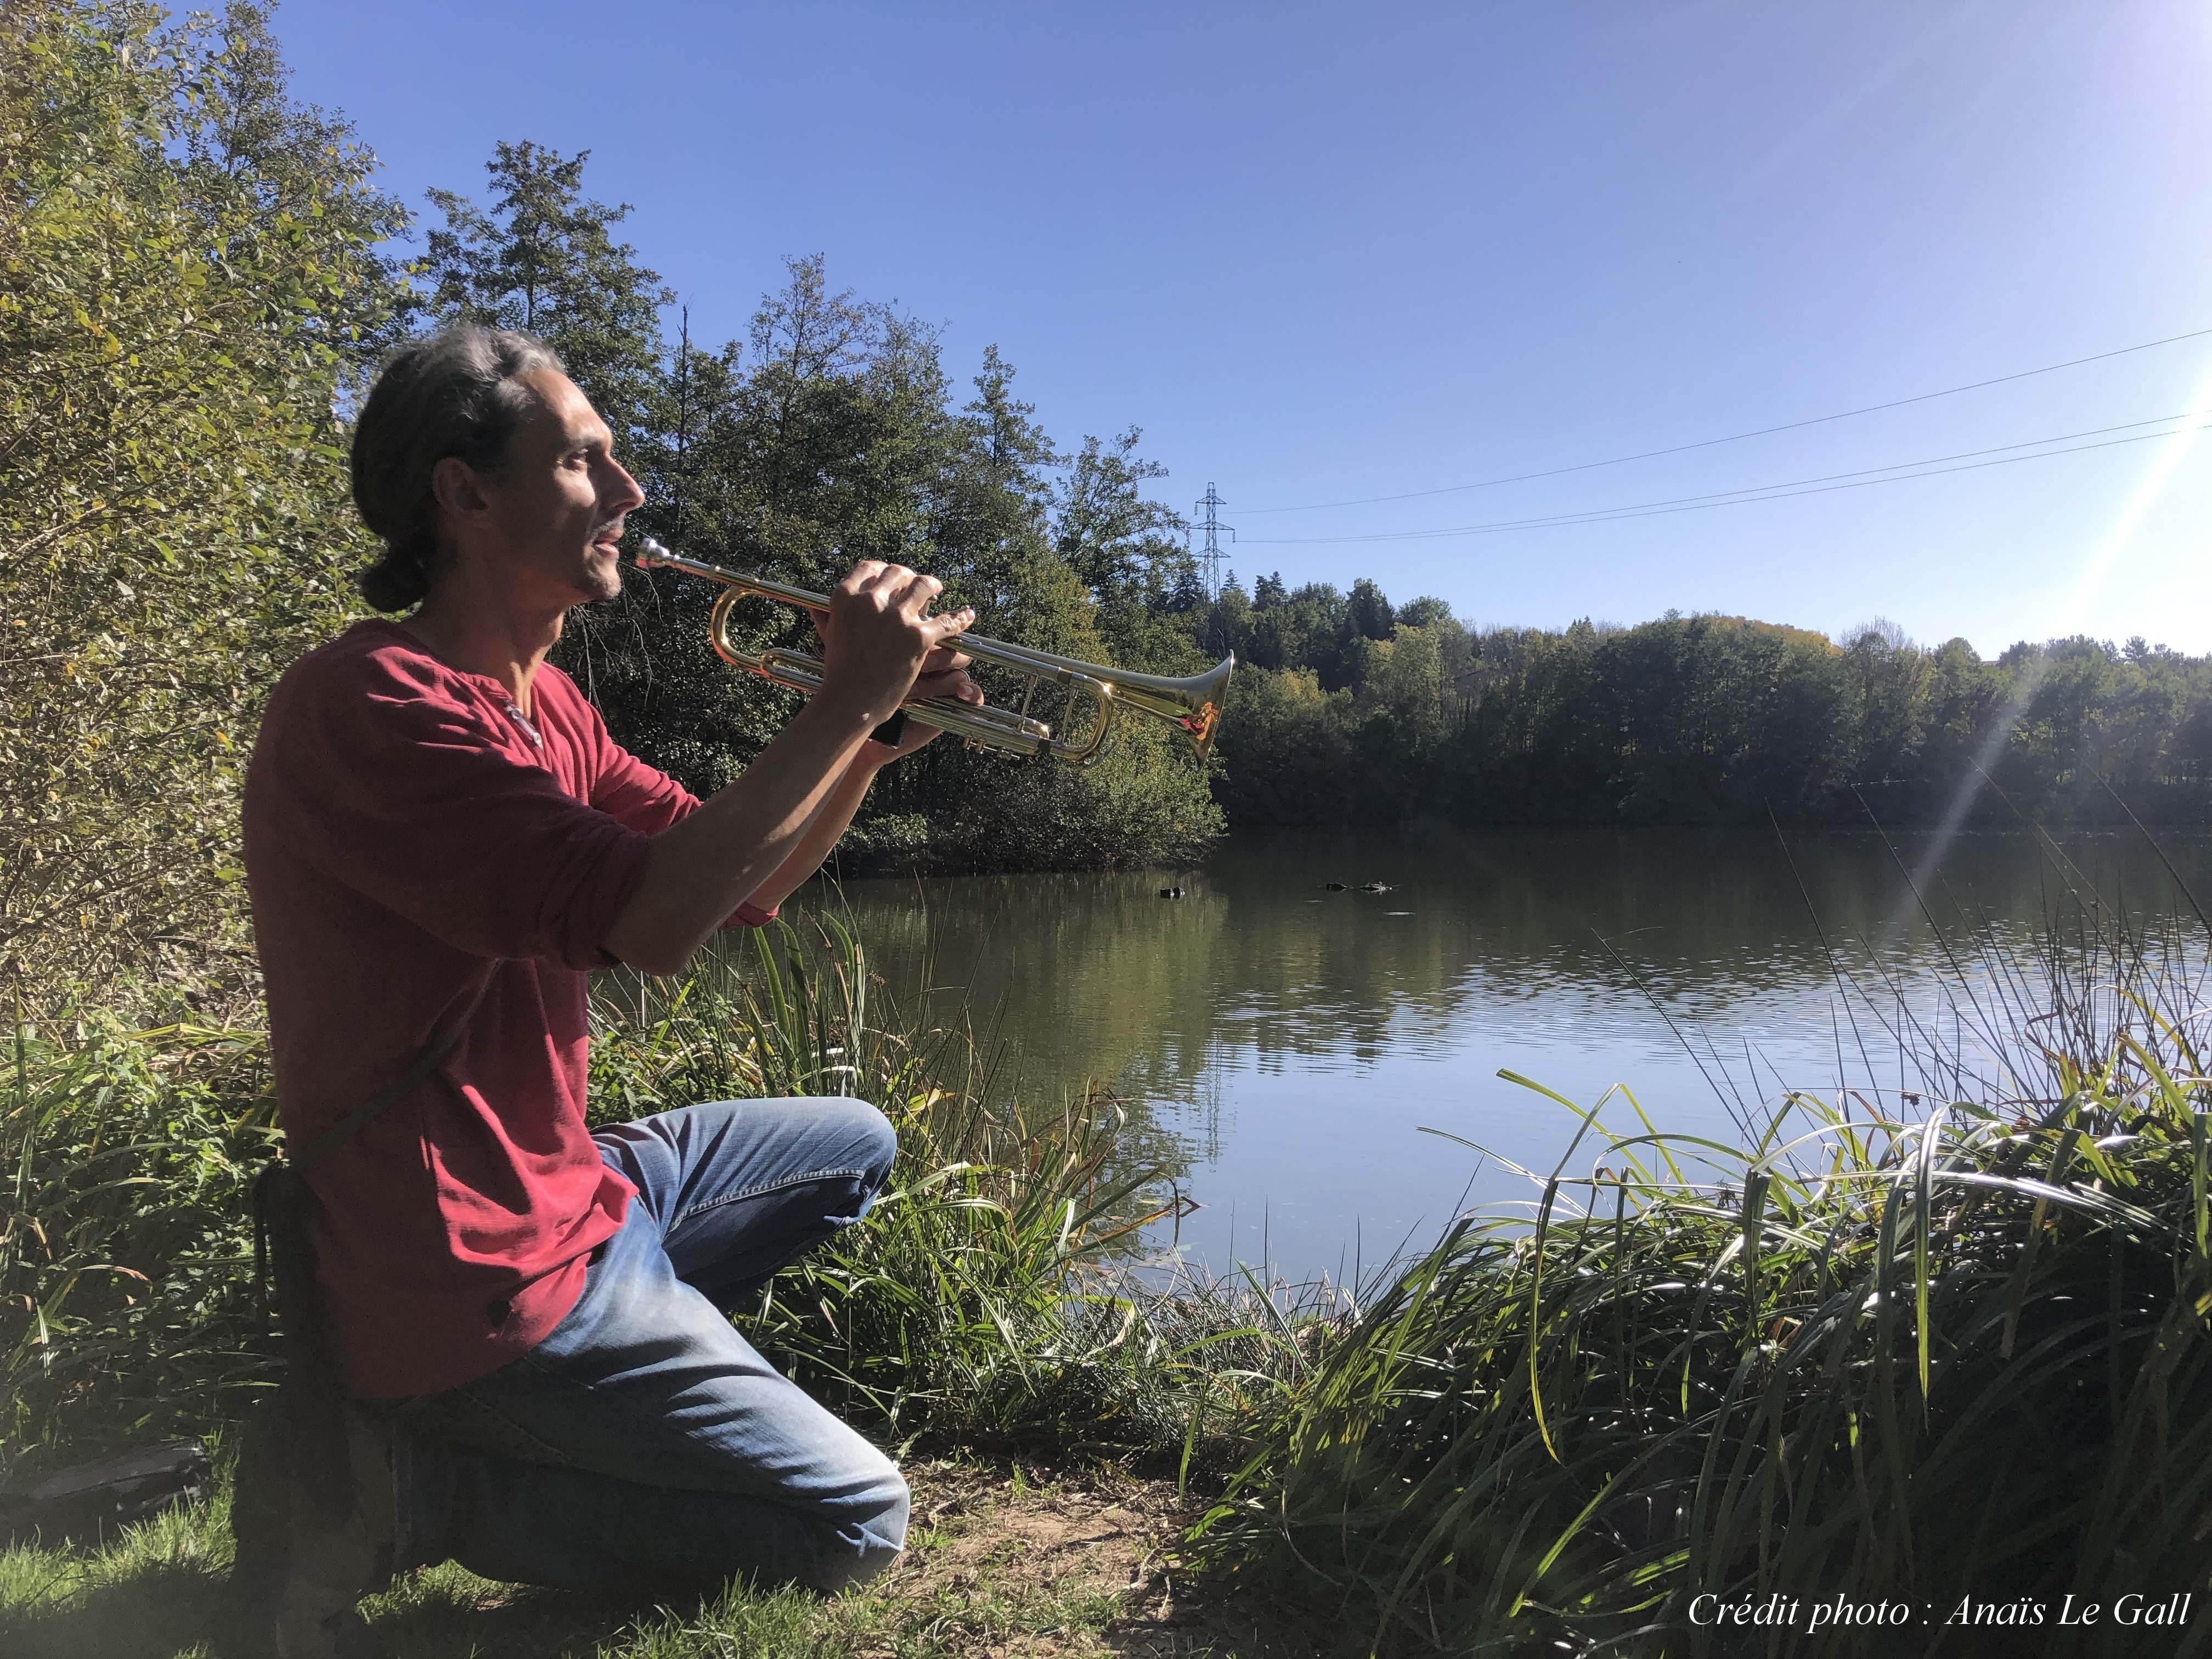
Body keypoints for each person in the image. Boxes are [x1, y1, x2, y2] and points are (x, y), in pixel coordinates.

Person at [239, 325, 981, 1655]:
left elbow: (735, 881)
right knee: (857, 1521)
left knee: (853, 1145)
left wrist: (866, 737)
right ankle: (415, 1488)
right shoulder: (375, 707)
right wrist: (837, 700)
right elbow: (652, 922)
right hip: (466, 1259)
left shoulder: (549, 702)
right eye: (587, 461)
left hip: (570, 1187)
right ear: (462, 495)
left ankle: (619, 1387)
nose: (632, 492)